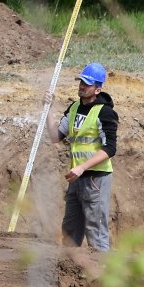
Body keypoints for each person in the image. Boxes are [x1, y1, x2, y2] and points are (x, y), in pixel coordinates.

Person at [58, 62, 118, 252]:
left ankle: (102, 276)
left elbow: (110, 148)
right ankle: (68, 274)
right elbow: (55, 136)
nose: (82, 86)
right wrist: (48, 110)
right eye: (81, 82)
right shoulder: (74, 107)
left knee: (96, 231)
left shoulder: (106, 113)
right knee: (69, 230)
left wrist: (83, 167)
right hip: (76, 179)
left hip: (96, 179)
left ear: (98, 88)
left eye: (87, 83)